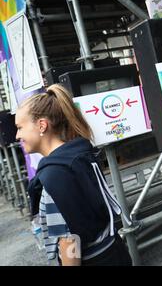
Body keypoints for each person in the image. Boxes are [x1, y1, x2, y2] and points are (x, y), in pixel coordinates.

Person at [17, 84, 132, 266]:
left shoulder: (54, 177)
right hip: (114, 252)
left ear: (42, 125)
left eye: (20, 127)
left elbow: (69, 241)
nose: (17, 135)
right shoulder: (78, 155)